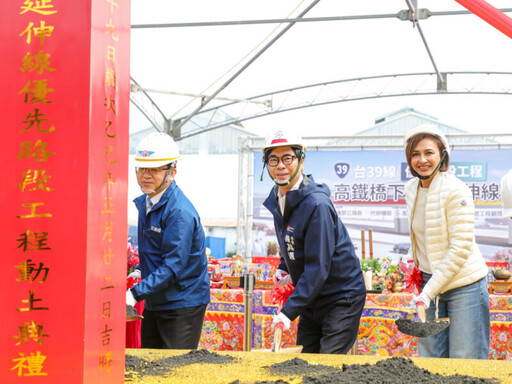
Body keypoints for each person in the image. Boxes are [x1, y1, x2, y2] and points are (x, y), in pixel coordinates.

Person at [261, 128, 366, 354]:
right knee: (304, 361)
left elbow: (318, 267)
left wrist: (287, 313)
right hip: (312, 297)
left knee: (327, 365)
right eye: (273, 159)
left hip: (341, 296)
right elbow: (292, 240)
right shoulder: (278, 197)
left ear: (301, 160)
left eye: (287, 158)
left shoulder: (317, 204)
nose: (280, 166)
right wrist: (283, 267)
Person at [403, 124, 490, 359]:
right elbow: (424, 235)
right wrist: (415, 268)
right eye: (415, 154)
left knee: (466, 358)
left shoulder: (456, 190)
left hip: (465, 285)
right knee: (431, 358)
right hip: (431, 284)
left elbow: (460, 248)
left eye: (429, 152)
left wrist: (428, 292)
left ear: (442, 154)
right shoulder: (411, 189)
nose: (422, 160)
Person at [126, 132, 210, 349]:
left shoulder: (179, 212)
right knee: (150, 363)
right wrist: (139, 269)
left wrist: (135, 293)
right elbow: (156, 250)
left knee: (173, 369)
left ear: (172, 173)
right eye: (142, 168)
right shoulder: (148, 202)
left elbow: (174, 266)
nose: (146, 175)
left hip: (182, 303)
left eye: (154, 169)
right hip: (157, 298)